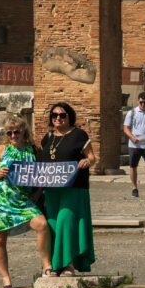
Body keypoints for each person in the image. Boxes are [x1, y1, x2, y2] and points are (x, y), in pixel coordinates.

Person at [0, 120, 53, 288]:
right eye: (9, 133)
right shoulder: (2, 150)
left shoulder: (33, 150)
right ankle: (6, 281)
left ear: (24, 131)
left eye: (16, 132)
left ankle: (47, 267)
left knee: (42, 224)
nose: (13, 136)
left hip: (22, 199)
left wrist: (37, 194)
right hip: (0, 198)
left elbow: (40, 175)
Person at [39, 102, 97, 275]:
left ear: (69, 117)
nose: (58, 118)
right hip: (51, 189)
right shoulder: (47, 138)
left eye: (62, 115)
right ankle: (54, 265)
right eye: (54, 115)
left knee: (65, 221)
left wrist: (87, 162)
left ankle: (66, 264)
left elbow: (92, 157)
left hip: (74, 187)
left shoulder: (79, 135)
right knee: (52, 224)